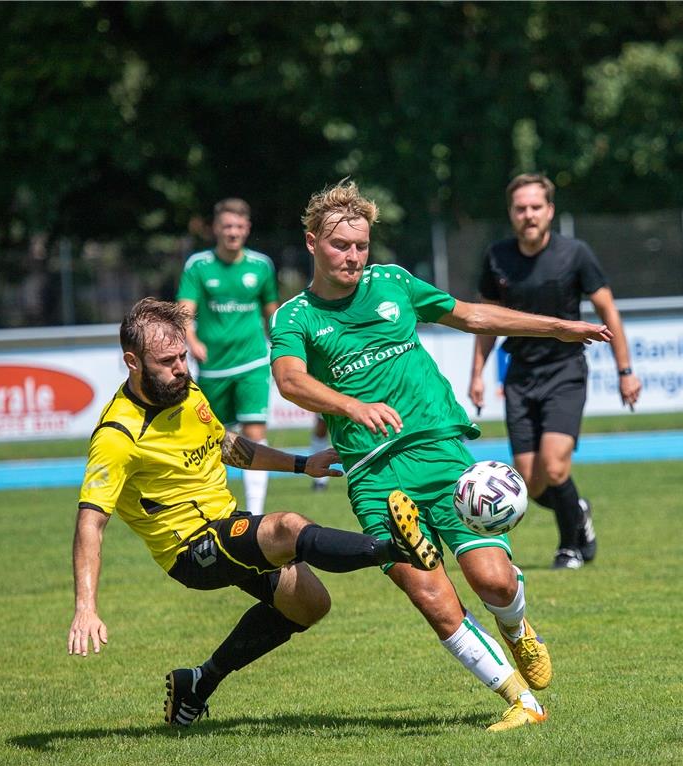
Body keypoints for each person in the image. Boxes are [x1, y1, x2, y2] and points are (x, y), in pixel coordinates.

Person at [271, 180, 614, 731]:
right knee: (431, 595)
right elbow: (290, 381)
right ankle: (522, 702)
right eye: (341, 246)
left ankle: (518, 626)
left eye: (361, 245)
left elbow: (473, 315)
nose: (354, 256)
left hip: (438, 454)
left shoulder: (393, 283)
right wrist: (352, 407)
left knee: (493, 580)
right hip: (373, 477)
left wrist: (559, 328)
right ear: (312, 243)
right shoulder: (295, 317)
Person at [67, 298, 440, 727]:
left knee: (310, 605)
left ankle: (198, 683)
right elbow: (90, 523)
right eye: (167, 361)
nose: (182, 368)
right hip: (191, 550)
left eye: (184, 356)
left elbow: (228, 445)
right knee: (287, 527)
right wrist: (85, 607)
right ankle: (395, 547)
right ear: (133, 362)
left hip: (226, 524)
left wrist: (302, 464)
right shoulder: (117, 436)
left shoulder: (184, 391)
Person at [468, 173, 641, 571]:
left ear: (550, 211)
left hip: (564, 372)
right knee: (530, 481)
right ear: (511, 214)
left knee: (555, 465)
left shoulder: (575, 254)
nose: (528, 215)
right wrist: (477, 374)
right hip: (520, 376)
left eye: (535, 207)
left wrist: (625, 370)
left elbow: (608, 311)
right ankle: (577, 508)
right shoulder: (497, 256)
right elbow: (486, 321)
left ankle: (570, 546)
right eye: (520, 208)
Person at [177, 198, 280, 515]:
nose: (232, 232)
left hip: (252, 362)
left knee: (254, 431)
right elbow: (184, 309)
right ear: (216, 229)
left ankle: (256, 513)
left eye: (238, 226)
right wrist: (191, 338)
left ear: (247, 229)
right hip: (213, 369)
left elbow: (271, 313)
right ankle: (208, 505)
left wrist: (282, 348)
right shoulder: (198, 266)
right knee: (210, 439)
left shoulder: (261, 266)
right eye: (226, 226)